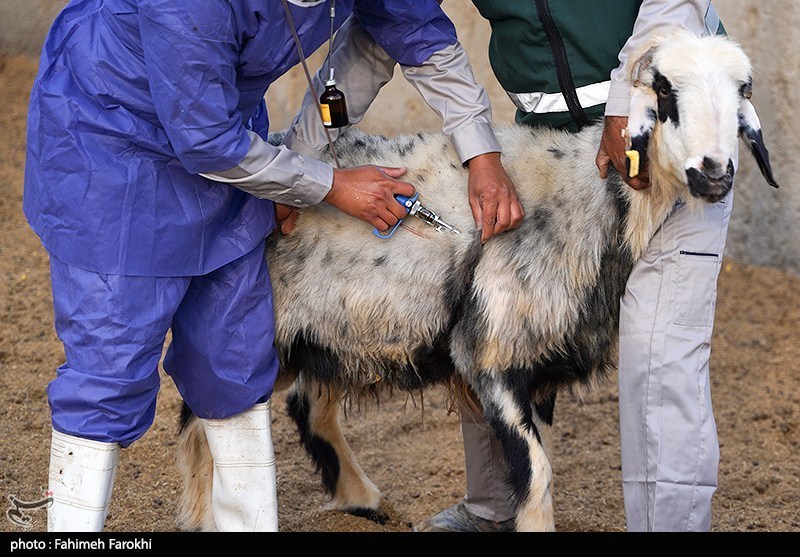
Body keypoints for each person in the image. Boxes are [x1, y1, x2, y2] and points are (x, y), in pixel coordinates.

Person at [23, 0, 523, 532]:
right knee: (112, 360)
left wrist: (482, 154)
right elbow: (204, 138)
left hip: (232, 146)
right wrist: (327, 185)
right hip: (113, 142)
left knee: (235, 353)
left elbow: (407, 25)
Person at [404, 0, 730, 532]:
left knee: (660, 352)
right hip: (553, 151)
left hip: (669, 138)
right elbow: (391, 16)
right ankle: (496, 511)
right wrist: (309, 146)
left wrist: (626, 99)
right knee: (500, 320)